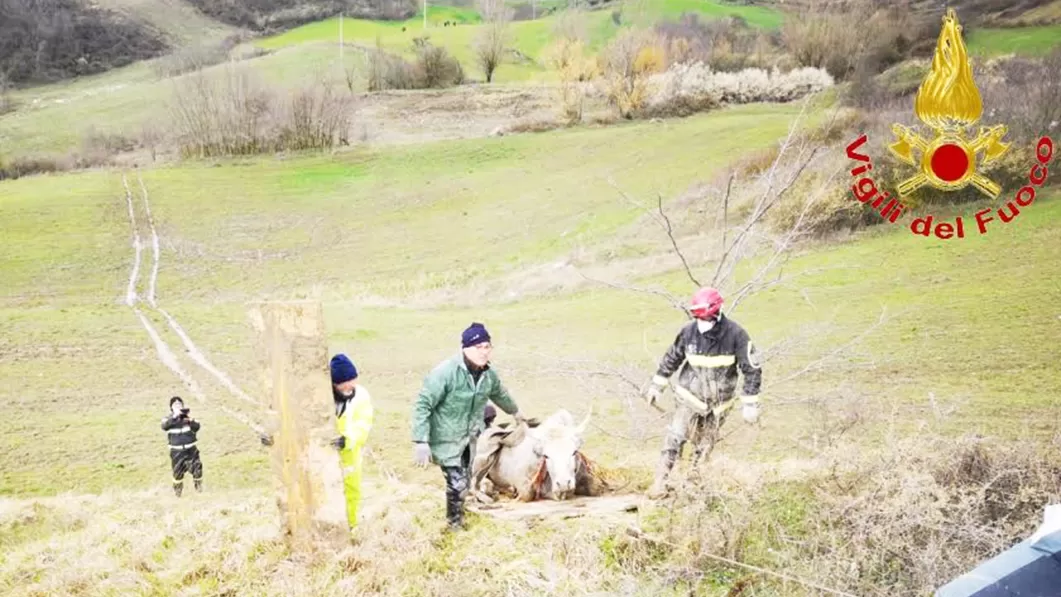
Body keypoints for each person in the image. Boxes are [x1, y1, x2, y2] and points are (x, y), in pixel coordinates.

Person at [642, 287, 763, 498]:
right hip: (689, 397)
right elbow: (672, 358)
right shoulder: (688, 332)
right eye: (698, 319)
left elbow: (751, 370)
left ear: (716, 314)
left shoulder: (737, 335)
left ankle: (692, 484)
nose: (702, 324)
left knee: (704, 446)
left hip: (718, 405)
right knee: (675, 437)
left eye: (705, 319)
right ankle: (660, 482)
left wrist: (750, 404)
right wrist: (657, 386)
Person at [411, 322, 530, 531]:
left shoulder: (488, 375)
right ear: (465, 348)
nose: (484, 352)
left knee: (465, 481)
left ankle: (457, 515)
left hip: (470, 437)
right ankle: (454, 525)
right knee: (456, 482)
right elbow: (423, 404)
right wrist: (421, 440)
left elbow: (500, 394)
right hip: (445, 437)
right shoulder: (445, 373)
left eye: (487, 346)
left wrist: (516, 412)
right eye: (478, 347)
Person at [330, 353, 374, 537]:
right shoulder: (321, 398)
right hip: (324, 456)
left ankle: (352, 528)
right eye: (344, 382)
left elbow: (364, 424)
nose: (350, 385)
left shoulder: (361, 395)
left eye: (352, 379)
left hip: (350, 454)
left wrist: (348, 440)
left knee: (352, 491)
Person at [160, 396, 203, 497]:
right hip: (176, 452)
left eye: (180, 404)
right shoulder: (168, 419)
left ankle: (199, 490)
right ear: (171, 407)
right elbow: (164, 426)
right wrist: (175, 416)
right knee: (178, 474)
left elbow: (197, 427)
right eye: (175, 405)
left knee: (197, 469)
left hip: (191, 450)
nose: (178, 406)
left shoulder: (188, 418)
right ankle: (178, 494)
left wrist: (189, 420)